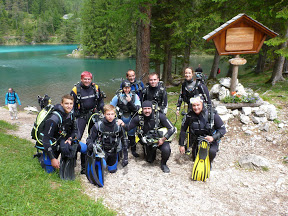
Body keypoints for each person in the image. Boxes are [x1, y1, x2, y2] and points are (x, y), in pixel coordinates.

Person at [36, 95, 86, 179]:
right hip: (52, 144)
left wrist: (70, 139)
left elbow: (75, 131)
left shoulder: (71, 114)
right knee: (50, 171)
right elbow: (46, 140)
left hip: (63, 140)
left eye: (71, 103)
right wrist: (52, 159)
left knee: (85, 148)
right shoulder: (54, 118)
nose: (69, 106)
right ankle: (41, 157)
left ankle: (84, 168)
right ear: (61, 104)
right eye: (66, 103)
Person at [120, 100, 176, 173]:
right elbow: (128, 128)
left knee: (166, 149)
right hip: (148, 141)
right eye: (145, 109)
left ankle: (163, 164)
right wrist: (122, 124)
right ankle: (148, 150)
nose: (147, 111)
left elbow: (172, 128)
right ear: (142, 109)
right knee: (150, 160)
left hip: (160, 139)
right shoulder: (138, 118)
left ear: (152, 109)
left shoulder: (159, 116)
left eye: (149, 109)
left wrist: (163, 139)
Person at [71, 71, 105, 174]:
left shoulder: (96, 88)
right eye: (85, 79)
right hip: (81, 116)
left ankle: (85, 165)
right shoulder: (75, 90)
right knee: (77, 138)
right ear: (81, 79)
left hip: (93, 114)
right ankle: (72, 159)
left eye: (89, 79)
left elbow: (100, 101)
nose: (87, 81)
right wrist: (74, 114)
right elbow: (70, 104)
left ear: (91, 79)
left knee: (92, 138)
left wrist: (102, 111)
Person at [178, 96, 226, 163]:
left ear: (202, 104)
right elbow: (183, 130)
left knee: (211, 152)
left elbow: (222, 129)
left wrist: (213, 137)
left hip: (211, 140)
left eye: (198, 105)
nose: (196, 108)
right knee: (195, 159)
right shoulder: (189, 116)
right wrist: (181, 145)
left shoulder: (211, 114)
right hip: (196, 140)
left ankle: (209, 162)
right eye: (194, 105)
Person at [86, 104, 128, 178]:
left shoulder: (118, 125)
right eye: (108, 114)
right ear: (104, 114)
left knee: (112, 171)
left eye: (112, 114)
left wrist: (125, 157)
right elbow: (89, 139)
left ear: (115, 114)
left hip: (113, 151)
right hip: (102, 151)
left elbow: (124, 140)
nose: (110, 116)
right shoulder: (98, 125)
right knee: (101, 167)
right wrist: (92, 147)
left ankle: (116, 158)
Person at [111, 80, 141, 157]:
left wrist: (130, 102)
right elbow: (111, 107)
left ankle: (133, 150)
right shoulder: (118, 96)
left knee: (131, 135)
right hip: (121, 117)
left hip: (131, 118)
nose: (127, 90)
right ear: (122, 88)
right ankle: (121, 149)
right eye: (125, 88)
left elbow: (137, 109)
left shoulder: (135, 96)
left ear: (130, 88)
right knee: (121, 134)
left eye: (128, 88)